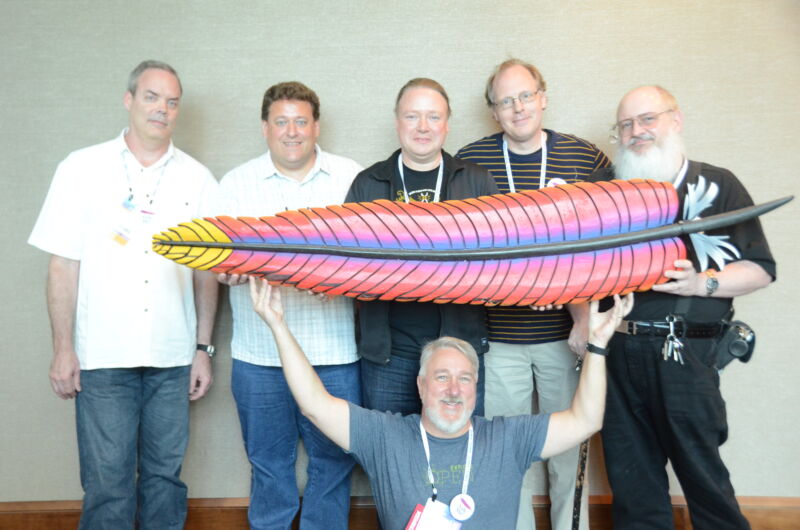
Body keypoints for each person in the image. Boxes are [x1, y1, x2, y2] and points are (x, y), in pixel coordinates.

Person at [249, 275, 633, 529]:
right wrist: (278, 326)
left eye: (465, 378)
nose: (453, 389)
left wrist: (597, 345)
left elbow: (586, 420)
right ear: (420, 386)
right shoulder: (385, 437)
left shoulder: (507, 437)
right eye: (442, 377)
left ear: (476, 387)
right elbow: (315, 404)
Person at [28, 60, 219, 529]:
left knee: (164, 480)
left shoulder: (198, 178)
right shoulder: (81, 168)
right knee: (107, 484)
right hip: (102, 357)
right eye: (152, 97)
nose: (163, 109)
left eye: (172, 102)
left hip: (172, 359)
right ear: (129, 100)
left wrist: (202, 349)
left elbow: (207, 274)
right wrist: (62, 349)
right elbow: (62, 264)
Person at [589, 85, 775, 529]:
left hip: (687, 353)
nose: (637, 132)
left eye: (648, 119)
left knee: (704, 481)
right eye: (627, 125)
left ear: (676, 120)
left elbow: (761, 268)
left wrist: (701, 282)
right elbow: (583, 273)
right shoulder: (609, 194)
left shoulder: (719, 185)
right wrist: (584, 327)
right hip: (618, 355)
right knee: (632, 487)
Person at [456, 58, 610, 530]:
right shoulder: (469, 162)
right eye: (506, 100)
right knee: (508, 455)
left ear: (543, 97)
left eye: (525, 95)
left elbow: (610, 245)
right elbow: (458, 249)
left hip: (568, 334)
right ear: (493, 111)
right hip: (499, 339)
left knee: (567, 451)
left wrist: (586, 316)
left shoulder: (586, 159)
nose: (518, 107)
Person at [216, 81, 363, 529]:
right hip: (259, 357)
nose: (292, 131)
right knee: (268, 465)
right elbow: (218, 264)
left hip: (334, 353)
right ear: (265, 128)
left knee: (335, 464)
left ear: (316, 126)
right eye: (282, 122)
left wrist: (341, 280)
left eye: (301, 121)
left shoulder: (350, 177)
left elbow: (371, 261)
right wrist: (229, 271)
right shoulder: (236, 184)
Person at [345, 78, 498, 417]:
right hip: (388, 353)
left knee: (458, 454)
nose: (423, 127)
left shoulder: (478, 183)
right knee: (389, 456)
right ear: (397, 121)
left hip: (458, 350)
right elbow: (345, 264)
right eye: (413, 116)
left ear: (447, 123)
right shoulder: (368, 184)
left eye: (433, 116)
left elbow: (501, 263)